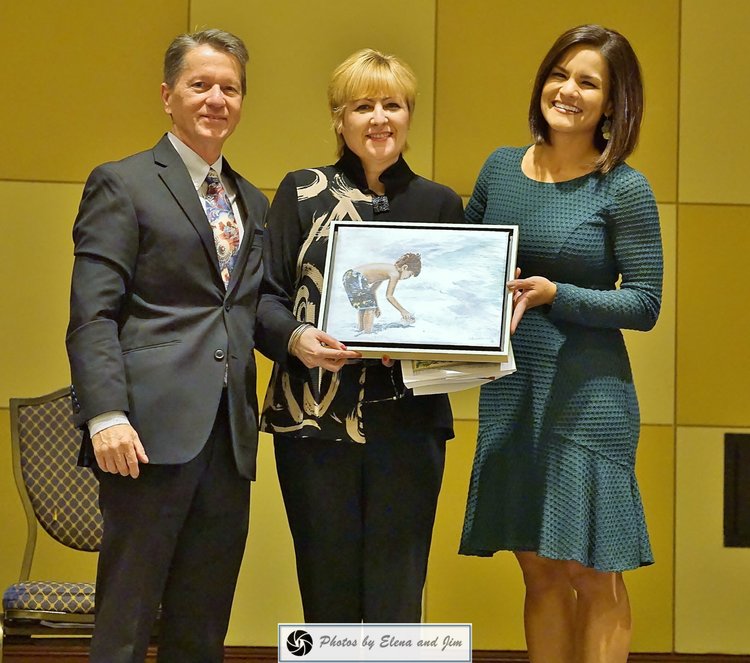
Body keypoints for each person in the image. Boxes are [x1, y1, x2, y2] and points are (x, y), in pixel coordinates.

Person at [459, 25, 663, 663]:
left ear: (612, 103)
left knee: (590, 570)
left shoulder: (623, 188)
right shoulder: (499, 167)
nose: (567, 91)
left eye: (588, 82)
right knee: (538, 567)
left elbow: (645, 302)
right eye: (559, 74)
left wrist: (559, 294)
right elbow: (466, 268)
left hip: (588, 400)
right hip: (513, 388)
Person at [66, 29, 269, 663]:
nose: (216, 99)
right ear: (167, 95)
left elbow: (251, 310)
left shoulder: (253, 201)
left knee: (202, 624)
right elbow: (92, 314)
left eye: (230, 88)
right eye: (200, 84)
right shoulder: (122, 183)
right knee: (126, 620)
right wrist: (105, 413)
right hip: (144, 433)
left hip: (229, 436)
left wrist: (301, 339)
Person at [256, 48, 464, 622]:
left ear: (409, 116)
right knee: (327, 596)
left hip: (410, 424)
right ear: (338, 119)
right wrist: (297, 338)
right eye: (363, 105)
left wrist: (474, 322)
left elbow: (454, 313)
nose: (379, 118)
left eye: (392, 105)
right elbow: (263, 299)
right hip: (312, 423)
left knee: (398, 597)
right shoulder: (300, 192)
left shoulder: (441, 203)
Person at [343, 251, 421, 332]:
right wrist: (403, 311)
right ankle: (367, 334)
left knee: (364, 307)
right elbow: (389, 296)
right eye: (410, 274)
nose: (408, 277)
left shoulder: (386, 271)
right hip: (356, 277)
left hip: (350, 276)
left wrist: (376, 306)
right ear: (405, 267)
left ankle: (361, 330)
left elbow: (372, 290)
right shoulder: (395, 273)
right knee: (369, 307)